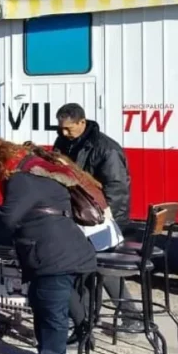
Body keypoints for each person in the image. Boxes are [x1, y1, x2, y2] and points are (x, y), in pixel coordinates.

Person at [0, 139, 97, 354]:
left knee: (50, 304)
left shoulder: (21, 180)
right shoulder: (45, 176)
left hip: (51, 252)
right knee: (42, 299)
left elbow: (7, 220)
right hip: (66, 247)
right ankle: (49, 351)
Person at [52, 103, 142, 333]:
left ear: (82, 122)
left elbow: (117, 190)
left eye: (68, 129)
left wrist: (101, 220)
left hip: (103, 218)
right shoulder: (64, 142)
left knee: (93, 267)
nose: (63, 133)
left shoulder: (107, 149)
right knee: (90, 268)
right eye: (61, 128)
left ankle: (92, 319)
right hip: (80, 213)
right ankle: (92, 317)